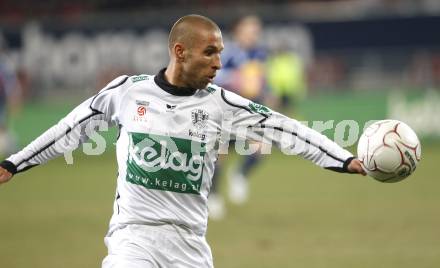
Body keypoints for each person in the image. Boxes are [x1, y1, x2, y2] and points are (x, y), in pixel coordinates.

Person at [0, 14, 365, 268]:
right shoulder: (127, 92)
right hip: (133, 238)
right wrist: (13, 163)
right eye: (210, 53)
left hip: (190, 245)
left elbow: (287, 129)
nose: (219, 63)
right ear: (179, 52)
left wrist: (343, 160)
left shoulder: (223, 104)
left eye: (220, 53)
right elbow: (70, 129)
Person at [208, 15, 269, 219]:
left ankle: (240, 174)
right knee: (220, 157)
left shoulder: (260, 54)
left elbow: (261, 80)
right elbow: (215, 76)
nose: (253, 34)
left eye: (255, 30)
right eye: (249, 30)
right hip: (226, 111)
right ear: (239, 32)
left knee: (261, 148)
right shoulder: (228, 53)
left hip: (249, 112)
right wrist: (236, 78)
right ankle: (214, 198)